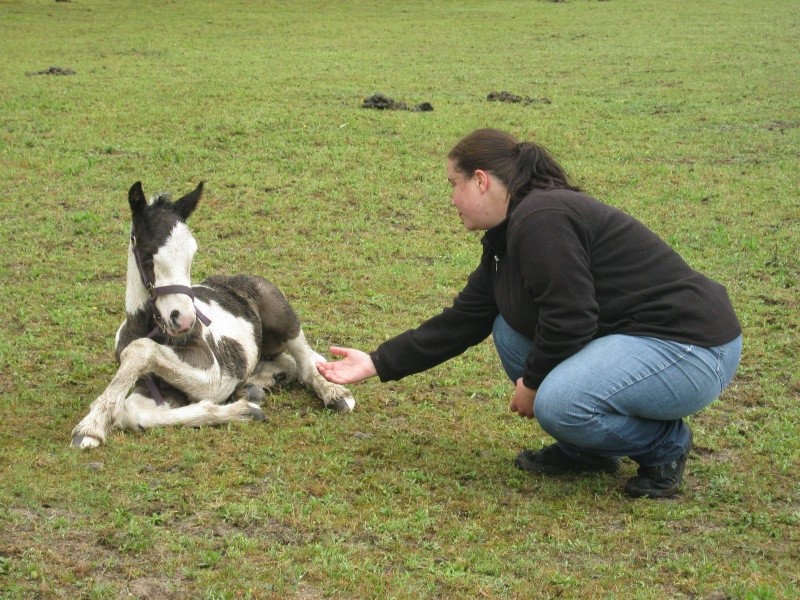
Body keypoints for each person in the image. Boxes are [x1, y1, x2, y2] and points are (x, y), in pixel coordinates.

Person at [316, 128, 742, 499]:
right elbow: (464, 320)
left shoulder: (541, 218)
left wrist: (535, 383)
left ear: (481, 181)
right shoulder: (507, 235)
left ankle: (664, 444)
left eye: (454, 184)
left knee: (559, 403)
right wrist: (376, 362)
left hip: (692, 349)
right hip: (639, 339)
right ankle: (588, 451)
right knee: (508, 329)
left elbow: (572, 317)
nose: (451, 199)